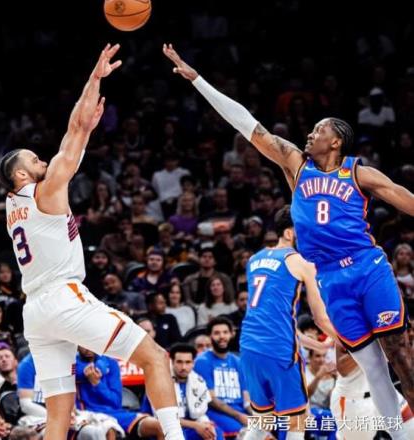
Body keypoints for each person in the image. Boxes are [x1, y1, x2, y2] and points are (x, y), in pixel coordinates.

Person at [163, 43, 414, 439]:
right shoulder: (296, 166)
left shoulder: (358, 173)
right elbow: (249, 126)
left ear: (337, 141)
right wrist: (199, 81)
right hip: (330, 278)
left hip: (367, 268)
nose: (310, 134)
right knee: (372, 367)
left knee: (399, 354)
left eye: (319, 130)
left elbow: (407, 200)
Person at [0, 44, 184, 440]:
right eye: (33, 159)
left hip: (36, 311)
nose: (41, 160)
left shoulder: (12, 205)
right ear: (20, 176)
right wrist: (95, 79)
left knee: (58, 412)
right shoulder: (45, 190)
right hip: (63, 298)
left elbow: (76, 136)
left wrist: (84, 124)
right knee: (155, 357)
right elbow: (75, 131)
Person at [239, 206, 337, 440]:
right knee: (298, 419)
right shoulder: (302, 263)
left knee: (262, 419)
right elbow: (320, 318)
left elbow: (273, 318)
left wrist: (318, 346)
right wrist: (347, 340)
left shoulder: (254, 260)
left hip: (249, 346)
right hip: (279, 351)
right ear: (289, 233)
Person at [142, 343, 223, 440]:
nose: (184, 367)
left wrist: (205, 426)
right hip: (162, 427)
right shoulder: (160, 381)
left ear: (193, 363)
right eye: (179, 362)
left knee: (215, 432)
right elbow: (165, 419)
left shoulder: (199, 381)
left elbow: (200, 414)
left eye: (188, 362)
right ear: (172, 362)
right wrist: (196, 426)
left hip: (189, 426)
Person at [330, 346, 414, 440]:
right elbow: (342, 368)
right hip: (355, 399)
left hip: (383, 392)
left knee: (411, 430)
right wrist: (371, 345)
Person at [193, 317, 250, 437]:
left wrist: (257, 416)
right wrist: (240, 416)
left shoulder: (238, 361)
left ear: (232, 334)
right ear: (210, 336)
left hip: (241, 413)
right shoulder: (202, 361)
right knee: (246, 433)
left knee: (272, 428)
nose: (222, 336)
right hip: (217, 413)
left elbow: (246, 398)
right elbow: (211, 400)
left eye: (225, 332)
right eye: (217, 333)